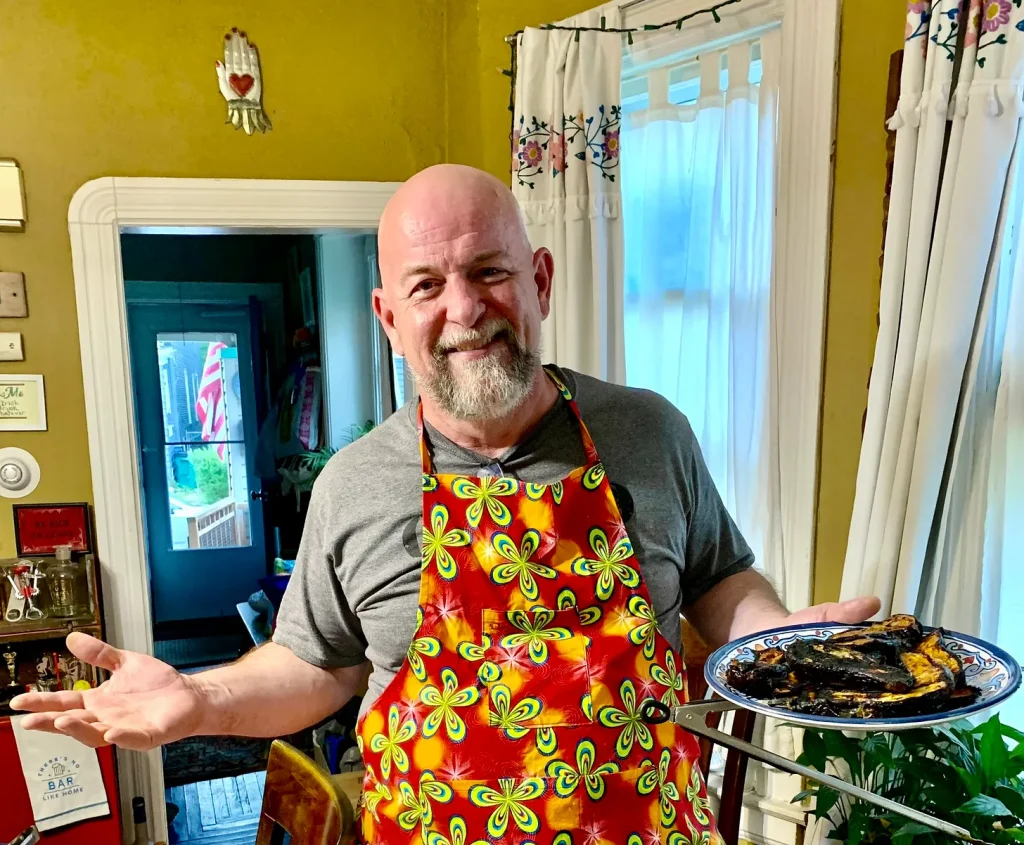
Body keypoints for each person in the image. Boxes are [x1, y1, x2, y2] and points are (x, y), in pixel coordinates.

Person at [13, 164, 879, 842]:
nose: (465, 308)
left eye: (489, 269)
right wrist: (200, 701)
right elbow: (318, 664)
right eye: (426, 285)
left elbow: (719, 575)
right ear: (391, 317)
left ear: (537, 278)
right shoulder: (354, 482)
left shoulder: (648, 432)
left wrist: (780, 641)